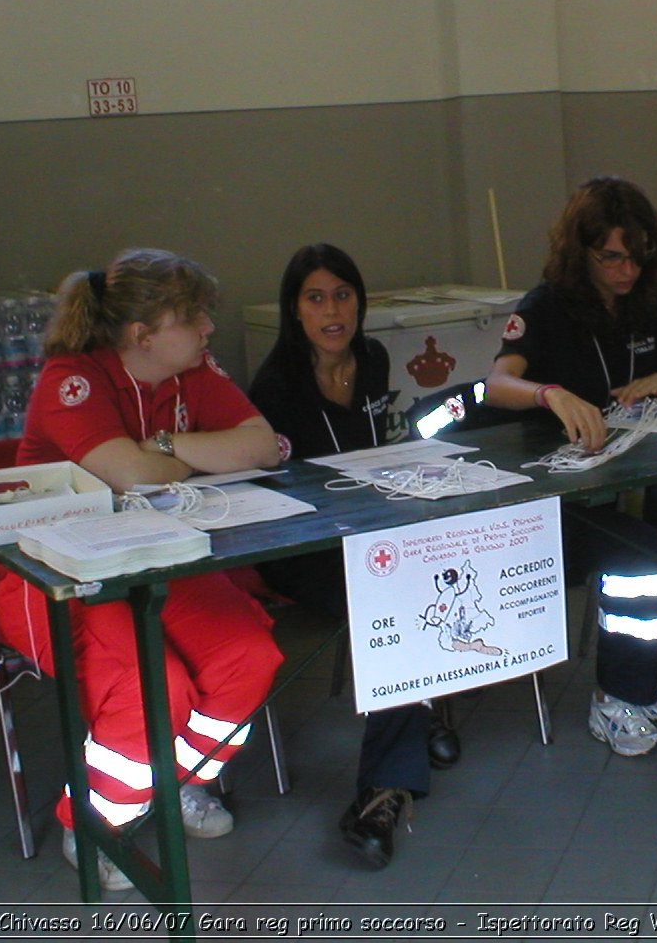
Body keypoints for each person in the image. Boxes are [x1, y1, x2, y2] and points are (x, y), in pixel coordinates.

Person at [0, 248, 283, 889]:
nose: (209, 328)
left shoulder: (192, 372)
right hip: (54, 577)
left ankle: (176, 782)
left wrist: (167, 448)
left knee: (249, 655)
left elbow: (263, 445)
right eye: (194, 316)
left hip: (159, 560)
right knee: (153, 683)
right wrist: (193, 459)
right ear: (141, 334)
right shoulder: (72, 379)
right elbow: (130, 473)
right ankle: (96, 823)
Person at [485, 176, 657, 756]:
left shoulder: (653, 298)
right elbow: (497, 383)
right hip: (566, 494)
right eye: (611, 259)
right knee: (642, 559)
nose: (626, 272)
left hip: (639, 473)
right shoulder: (545, 305)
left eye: (636, 257)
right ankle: (619, 698)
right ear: (582, 254)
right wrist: (551, 395)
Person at [247, 242, 456, 869]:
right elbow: (273, 488)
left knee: (449, 568)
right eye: (316, 298)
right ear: (295, 310)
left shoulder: (373, 357)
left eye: (343, 295)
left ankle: (419, 710)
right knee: (391, 608)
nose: (333, 311)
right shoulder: (275, 383)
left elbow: (382, 448)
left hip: (374, 534)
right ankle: (382, 790)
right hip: (303, 546)